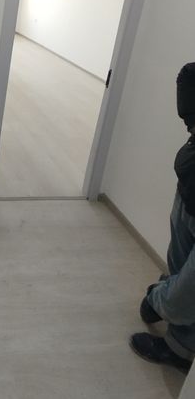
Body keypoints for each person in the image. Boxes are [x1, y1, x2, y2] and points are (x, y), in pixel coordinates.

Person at [130, 63, 195, 373]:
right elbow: (189, 76)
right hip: (188, 194)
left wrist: (159, 300)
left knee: (187, 287)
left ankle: (175, 342)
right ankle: (179, 338)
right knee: (180, 266)